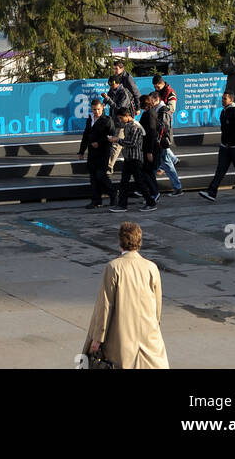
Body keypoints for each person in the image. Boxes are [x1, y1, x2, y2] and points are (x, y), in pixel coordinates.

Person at [84, 220, 169, 369]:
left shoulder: (114, 267)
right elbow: (157, 306)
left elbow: (105, 306)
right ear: (139, 241)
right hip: (148, 336)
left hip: (122, 337)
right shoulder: (151, 268)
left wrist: (98, 338)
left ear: (120, 241)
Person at [199, 91, 235, 201]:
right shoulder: (224, 111)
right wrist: (225, 142)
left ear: (231, 100)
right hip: (225, 146)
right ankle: (211, 192)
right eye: (222, 98)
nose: (222, 100)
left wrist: (234, 142)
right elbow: (224, 129)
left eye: (224, 99)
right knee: (220, 169)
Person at [109, 110, 156, 211]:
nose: (120, 120)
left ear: (127, 116)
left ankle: (151, 202)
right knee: (124, 182)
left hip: (135, 159)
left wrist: (117, 140)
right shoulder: (127, 126)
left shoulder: (135, 126)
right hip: (128, 158)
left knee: (139, 182)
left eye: (121, 118)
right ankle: (122, 205)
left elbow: (132, 143)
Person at [78, 96, 115, 209]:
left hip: (103, 152)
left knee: (101, 175)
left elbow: (111, 136)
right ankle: (96, 200)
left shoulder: (107, 120)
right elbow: (86, 135)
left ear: (102, 108)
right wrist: (81, 151)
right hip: (92, 152)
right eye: (94, 109)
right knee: (93, 177)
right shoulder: (90, 120)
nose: (97, 112)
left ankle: (113, 194)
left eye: (98, 109)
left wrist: (99, 142)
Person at [148, 90, 182, 194]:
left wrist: (158, 140)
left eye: (151, 100)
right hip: (159, 142)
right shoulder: (156, 109)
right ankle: (148, 187)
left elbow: (163, 128)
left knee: (167, 164)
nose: (149, 103)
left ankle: (177, 187)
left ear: (157, 99)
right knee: (155, 166)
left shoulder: (163, 110)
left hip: (161, 142)